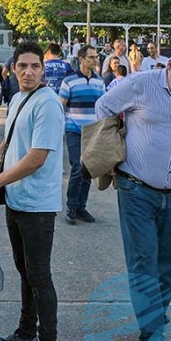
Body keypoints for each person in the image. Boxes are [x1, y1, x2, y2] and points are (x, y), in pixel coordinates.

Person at [95, 46, 171, 341]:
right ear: (169, 65)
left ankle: (159, 319)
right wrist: (114, 148)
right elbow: (103, 107)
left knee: (169, 265)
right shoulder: (140, 84)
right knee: (144, 261)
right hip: (136, 189)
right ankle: (152, 335)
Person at [0, 42, 66, 341]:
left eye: (35, 66)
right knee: (25, 270)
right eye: (22, 66)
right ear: (12, 69)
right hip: (16, 200)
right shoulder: (17, 99)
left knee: (39, 276)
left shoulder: (48, 104)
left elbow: (36, 157)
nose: (28, 72)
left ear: (43, 69)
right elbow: (8, 143)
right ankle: (27, 334)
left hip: (38, 205)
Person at [59, 45, 106, 225]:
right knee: (77, 166)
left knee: (88, 169)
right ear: (81, 59)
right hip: (74, 130)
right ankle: (71, 206)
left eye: (96, 57)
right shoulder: (69, 81)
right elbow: (61, 105)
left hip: (93, 132)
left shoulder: (100, 82)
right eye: (91, 57)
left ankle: (81, 207)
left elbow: (103, 106)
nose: (95, 60)